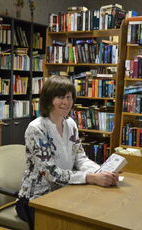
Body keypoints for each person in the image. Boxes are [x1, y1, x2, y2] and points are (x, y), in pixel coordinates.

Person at [15, 75, 119, 229]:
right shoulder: (36, 129)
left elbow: (80, 158)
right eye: (60, 97)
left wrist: (102, 172)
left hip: (65, 191)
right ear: (49, 99)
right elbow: (51, 173)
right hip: (36, 200)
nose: (66, 102)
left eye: (69, 97)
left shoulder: (70, 124)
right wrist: (91, 178)